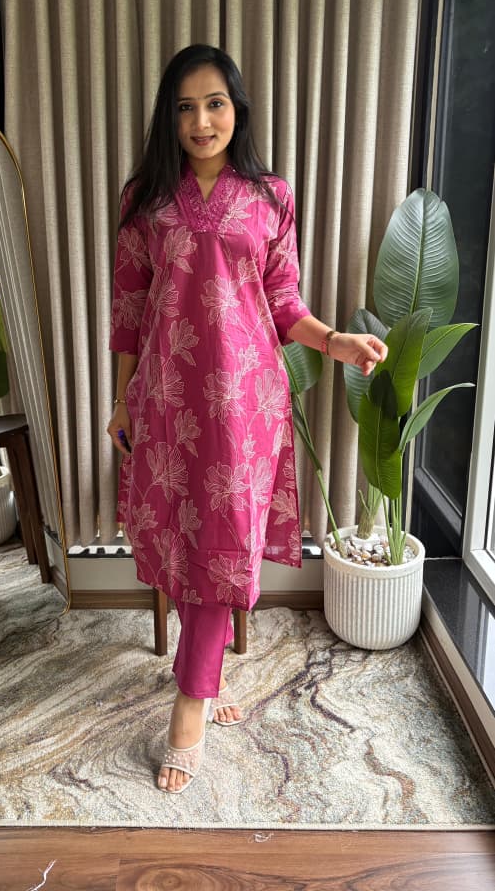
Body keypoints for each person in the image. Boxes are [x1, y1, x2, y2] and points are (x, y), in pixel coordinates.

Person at [107, 44, 387, 794]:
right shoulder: (144, 199)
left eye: (215, 104)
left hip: (245, 400)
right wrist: (120, 398)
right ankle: (205, 673)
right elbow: (129, 309)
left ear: (237, 109)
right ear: (169, 118)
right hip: (168, 398)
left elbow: (284, 301)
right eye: (185, 107)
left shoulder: (270, 196)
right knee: (183, 536)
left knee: (223, 541)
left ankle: (188, 705)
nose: (201, 121)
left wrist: (336, 341)